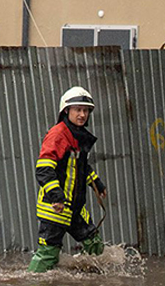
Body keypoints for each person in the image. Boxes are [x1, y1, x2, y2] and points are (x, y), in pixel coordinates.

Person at [28, 86, 108, 272]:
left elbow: (80, 167)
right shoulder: (58, 134)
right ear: (66, 110)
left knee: (95, 247)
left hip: (74, 207)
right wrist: (56, 197)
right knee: (48, 253)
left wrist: (96, 182)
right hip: (55, 207)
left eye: (85, 110)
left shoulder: (76, 136)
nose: (82, 115)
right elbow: (44, 169)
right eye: (77, 110)